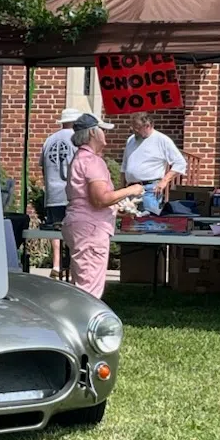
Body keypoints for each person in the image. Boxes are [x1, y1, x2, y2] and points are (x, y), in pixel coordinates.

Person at [62, 113, 144, 299]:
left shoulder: (79, 159)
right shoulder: (93, 161)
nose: (105, 135)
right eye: (103, 130)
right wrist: (131, 190)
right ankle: (85, 327)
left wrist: (117, 209)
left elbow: (89, 199)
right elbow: (99, 199)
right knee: (89, 289)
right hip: (91, 229)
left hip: (80, 224)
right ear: (93, 133)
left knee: (82, 283)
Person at [39, 107, 80, 279]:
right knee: (72, 230)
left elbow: (42, 166)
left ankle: (56, 264)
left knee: (55, 231)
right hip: (69, 192)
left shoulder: (49, 140)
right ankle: (72, 266)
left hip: (53, 192)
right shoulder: (76, 140)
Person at [120, 112, 187, 214]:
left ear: (147, 126)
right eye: (133, 127)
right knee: (130, 224)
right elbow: (124, 166)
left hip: (150, 190)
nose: (134, 130)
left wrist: (164, 181)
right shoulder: (131, 140)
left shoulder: (162, 140)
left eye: (137, 127)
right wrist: (122, 188)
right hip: (130, 189)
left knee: (148, 222)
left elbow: (180, 162)